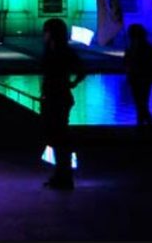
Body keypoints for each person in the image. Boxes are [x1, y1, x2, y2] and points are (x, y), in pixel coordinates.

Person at [40, 17, 85, 190]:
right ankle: (61, 174)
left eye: (46, 31)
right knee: (57, 136)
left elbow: (81, 71)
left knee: (59, 137)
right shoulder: (60, 51)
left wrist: (69, 84)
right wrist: (71, 83)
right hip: (57, 96)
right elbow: (81, 71)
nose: (44, 35)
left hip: (58, 97)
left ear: (51, 33)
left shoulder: (59, 52)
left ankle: (64, 176)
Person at [123, 24, 152, 129]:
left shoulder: (137, 49)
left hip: (140, 79)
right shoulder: (147, 48)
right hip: (143, 80)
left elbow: (130, 64)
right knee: (142, 105)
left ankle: (147, 128)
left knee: (141, 106)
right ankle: (145, 127)